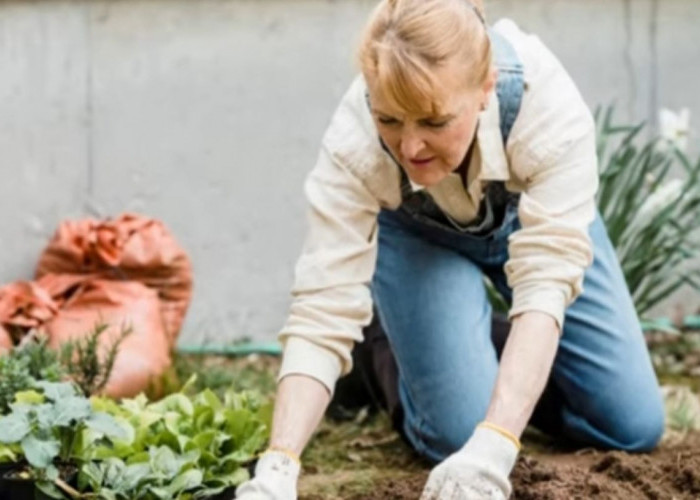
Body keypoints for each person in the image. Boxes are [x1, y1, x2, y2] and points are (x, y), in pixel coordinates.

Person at [235, 0, 665, 498]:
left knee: (632, 425)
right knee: (459, 433)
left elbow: (546, 283)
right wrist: (278, 466)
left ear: (484, 89)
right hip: (418, 239)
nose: (411, 147)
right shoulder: (353, 142)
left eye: (434, 122)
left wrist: (499, 442)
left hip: (533, 227)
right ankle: (384, 350)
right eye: (389, 120)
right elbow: (322, 306)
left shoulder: (542, 104)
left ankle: (456, 344)